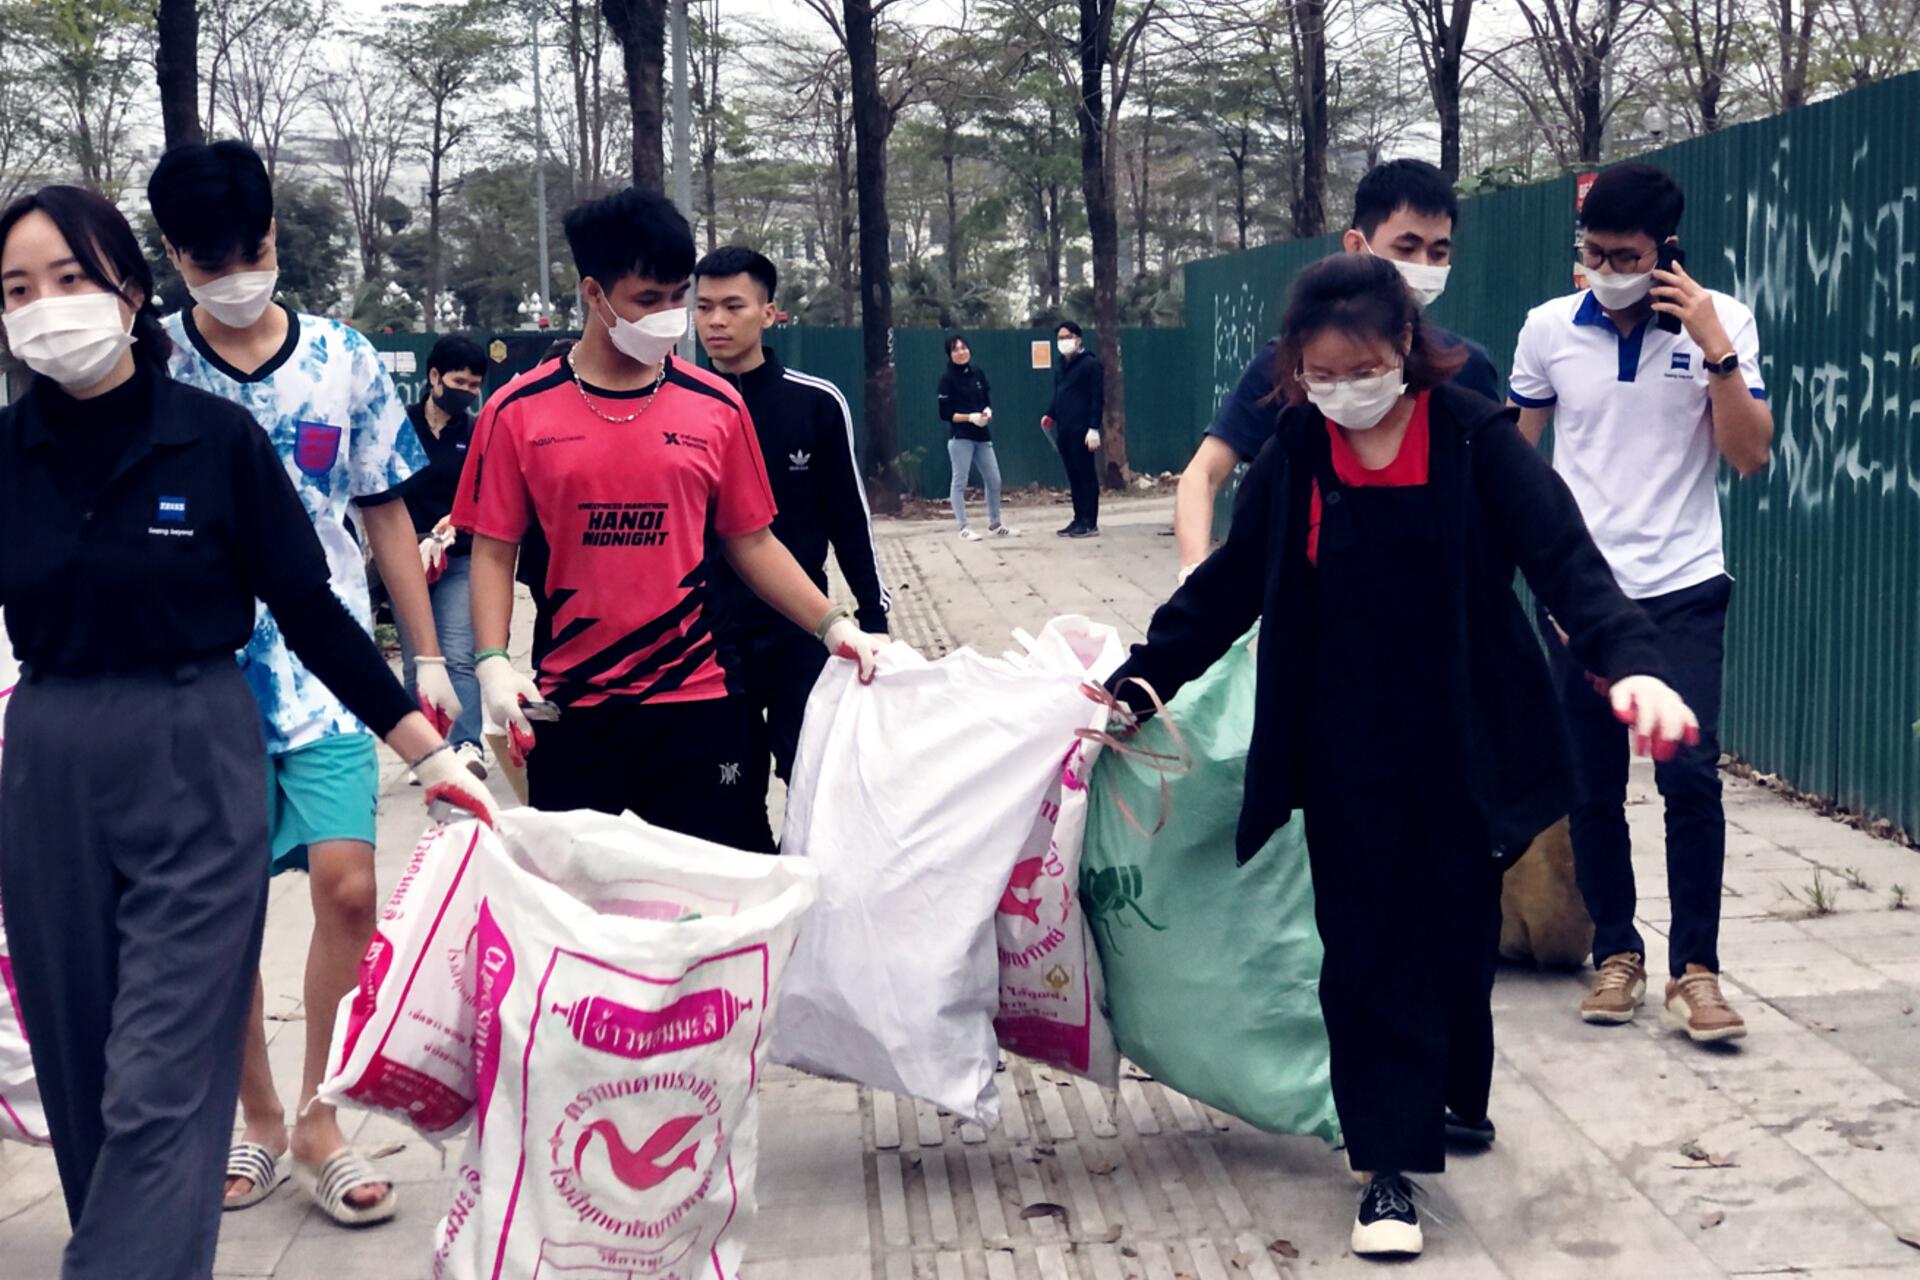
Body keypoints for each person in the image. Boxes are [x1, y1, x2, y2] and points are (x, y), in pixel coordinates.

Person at [1104, 254, 1698, 1259]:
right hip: (1343, 744)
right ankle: (1385, 1164)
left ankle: (1457, 1096)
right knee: (1367, 946)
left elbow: (1568, 563)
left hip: (1467, 738)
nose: (1342, 388)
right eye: (1320, 372)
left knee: (1458, 933)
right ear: (1298, 368)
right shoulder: (1298, 448)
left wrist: (1633, 664)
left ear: (1405, 352)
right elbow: (1234, 582)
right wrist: (1143, 676)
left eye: (1361, 367)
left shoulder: (1474, 440)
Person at [0, 185, 492, 1280]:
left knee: (161, 1068)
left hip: (192, 744)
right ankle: (127, 1237)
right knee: (81, 1066)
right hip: (46, 757)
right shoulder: (6, 453)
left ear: (129, 289)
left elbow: (313, 605)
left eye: (70, 280)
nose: (44, 308)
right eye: (17, 290)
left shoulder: (212, 441)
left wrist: (427, 742)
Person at [145, 139, 457, 1226]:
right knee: (220, 914)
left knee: (350, 888)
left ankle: (325, 1110)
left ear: (275, 236)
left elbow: (382, 509)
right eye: (210, 257)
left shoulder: (343, 356)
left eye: (256, 247)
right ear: (175, 256)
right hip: (195, 680)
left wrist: (423, 661)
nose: (239, 270)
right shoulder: (149, 363)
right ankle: (260, 1120)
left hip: (327, 669)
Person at [456, 189, 886, 851]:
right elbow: (493, 547)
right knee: (581, 920)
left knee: (725, 908)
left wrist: (834, 626)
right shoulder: (517, 411)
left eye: (677, 296)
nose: (670, 317)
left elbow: (751, 539)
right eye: (646, 300)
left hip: (698, 700)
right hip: (574, 706)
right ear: (595, 294)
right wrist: (490, 664)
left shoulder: (714, 404)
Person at [1508, 162, 1773, 1043]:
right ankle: (1616, 951)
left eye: (1626, 254)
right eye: (1593, 252)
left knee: (1690, 776)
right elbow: (1518, 458)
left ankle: (1697, 969)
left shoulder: (1721, 320)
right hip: (1581, 595)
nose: (1607, 267)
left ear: (1666, 250)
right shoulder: (1548, 330)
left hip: (1685, 588)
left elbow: (1748, 456)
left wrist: (1716, 351)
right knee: (1592, 786)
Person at [1173, 159, 1502, 581]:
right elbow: (1202, 474)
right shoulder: (1287, 363)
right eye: (1406, 248)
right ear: (1356, 245)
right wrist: (1195, 572)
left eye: (1438, 252)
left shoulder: (1465, 366)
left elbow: (1503, 497)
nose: (1423, 266)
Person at [691, 244, 890, 811]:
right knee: (728, 794)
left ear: (770, 312)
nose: (716, 321)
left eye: (733, 306)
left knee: (816, 788)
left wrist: (873, 620)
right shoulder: (680, 403)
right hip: (708, 638)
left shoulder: (815, 403)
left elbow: (849, 519)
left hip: (800, 628)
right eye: (704, 307)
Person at [401, 333, 490, 780]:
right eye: (459, 381)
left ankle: (466, 743)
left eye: (475, 386)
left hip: (459, 555)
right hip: (406, 559)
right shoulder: (399, 426)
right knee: (419, 655)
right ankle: (424, 748)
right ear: (433, 377)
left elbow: (489, 492)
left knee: (457, 651)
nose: (466, 392)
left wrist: (458, 518)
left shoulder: (475, 433)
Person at [937, 333, 1015, 540]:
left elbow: (986, 400)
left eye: (964, 348)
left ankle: (996, 524)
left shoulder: (977, 373)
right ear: (949, 354)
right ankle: (964, 527)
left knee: (994, 480)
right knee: (959, 482)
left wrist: (987, 412)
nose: (961, 352)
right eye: (955, 349)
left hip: (982, 435)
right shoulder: (947, 379)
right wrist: (969, 417)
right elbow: (945, 413)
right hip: (960, 437)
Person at [1043, 320, 1102, 537]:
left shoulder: (1090, 365)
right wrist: (1050, 414)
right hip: (1064, 430)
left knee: (1086, 475)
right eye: (1060, 338)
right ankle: (1078, 518)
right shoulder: (1062, 365)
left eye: (1067, 337)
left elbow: (1097, 398)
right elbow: (1060, 394)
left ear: (1078, 339)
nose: (1063, 342)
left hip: (1083, 430)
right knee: (1073, 476)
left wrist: (1094, 427)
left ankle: (1090, 521)